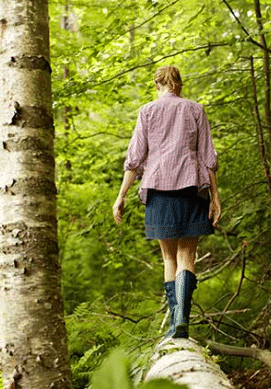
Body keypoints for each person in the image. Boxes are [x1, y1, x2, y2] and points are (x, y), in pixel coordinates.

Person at [113, 65, 221, 339]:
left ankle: (175, 322)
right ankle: (183, 320)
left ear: (157, 84)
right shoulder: (196, 109)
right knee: (187, 255)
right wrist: (216, 198)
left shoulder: (147, 111)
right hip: (192, 190)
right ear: (179, 85)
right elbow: (209, 157)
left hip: (159, 190)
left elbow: (135, 160)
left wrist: (121, 196)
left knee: (168, 257)